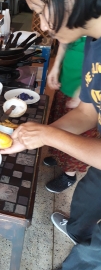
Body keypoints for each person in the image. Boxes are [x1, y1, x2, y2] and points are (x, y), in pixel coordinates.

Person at [0, 0, 101, 270]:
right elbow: (87, 113)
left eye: (39, 7)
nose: (41, 23)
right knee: (90, 195)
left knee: (96, 252)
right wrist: (34, 139)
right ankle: (78, 231)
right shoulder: (93, 41)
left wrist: (50, 134)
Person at [44, 39, 99, 193]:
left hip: (86, 92)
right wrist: (56, 67)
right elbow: (64, 40)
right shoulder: (75, 22)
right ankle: (58, 156)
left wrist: (85, 89)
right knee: (60, 121)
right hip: (67, 81)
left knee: (78, 135)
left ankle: (70, 174)